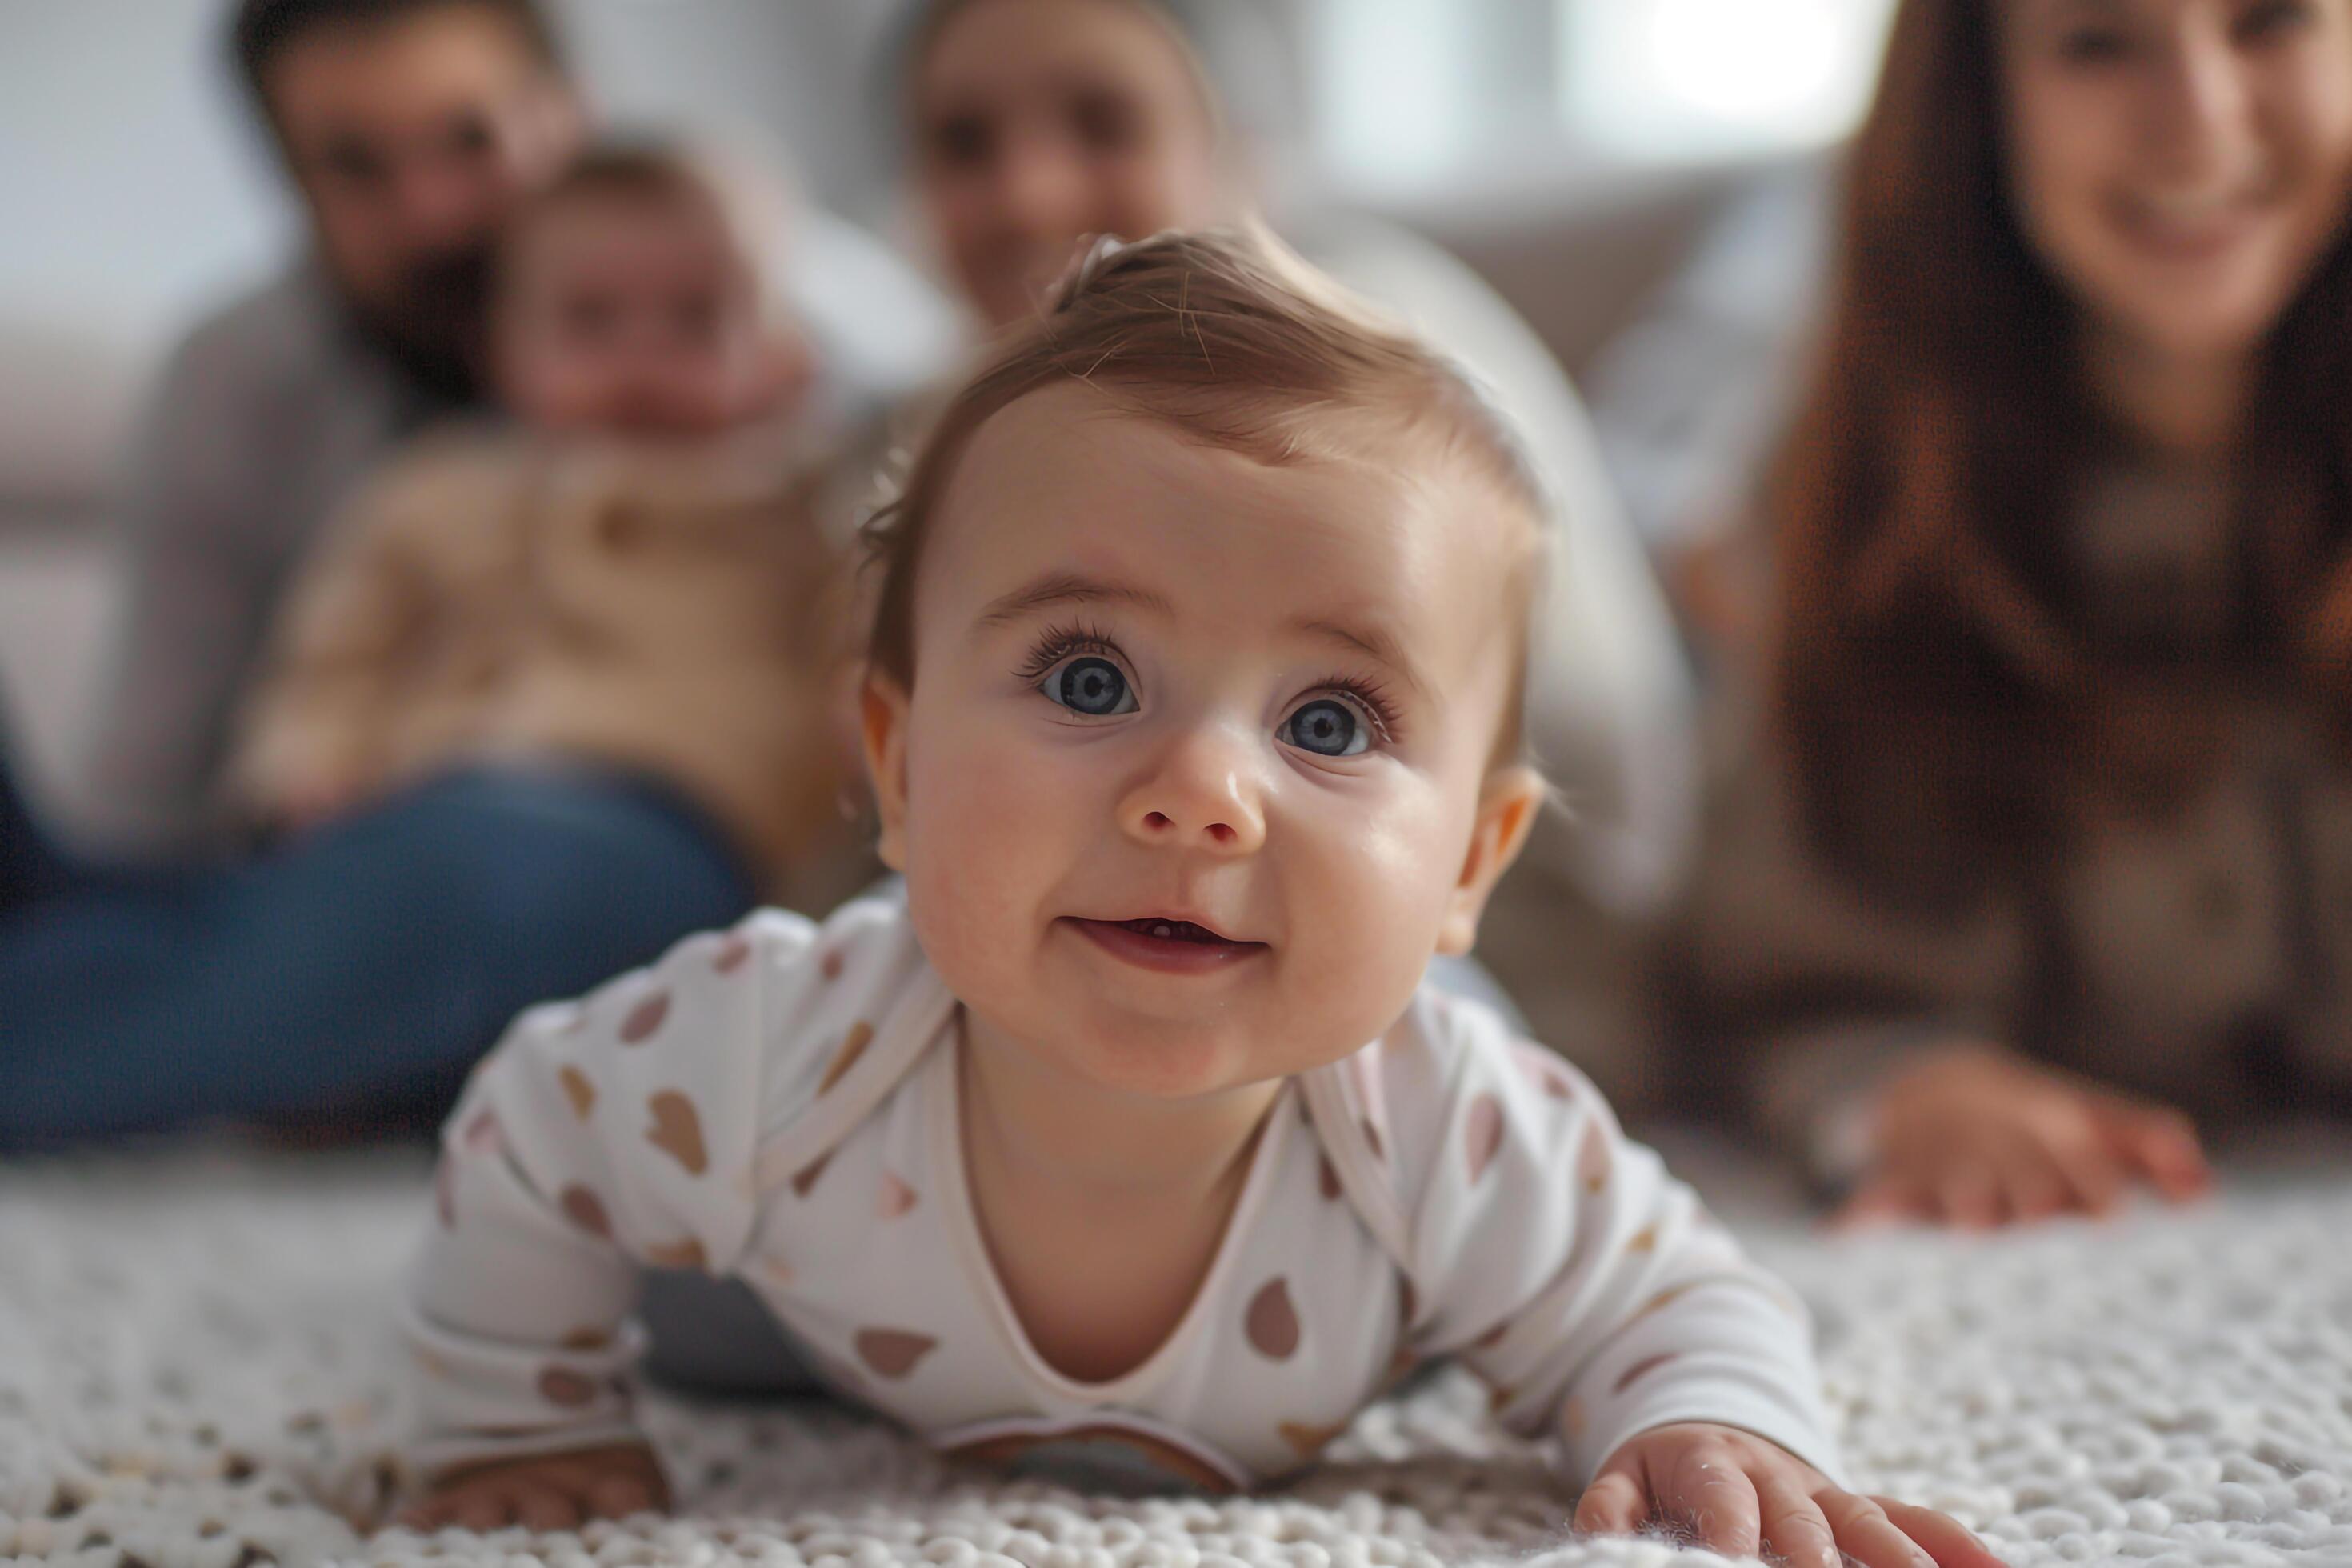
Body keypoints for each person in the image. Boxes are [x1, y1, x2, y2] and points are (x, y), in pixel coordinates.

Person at [394, 230, 1996, 1568]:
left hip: (1362, 1217)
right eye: (1089, 674)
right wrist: (522, 1420)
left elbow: (1679, 1289)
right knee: (694, 1321)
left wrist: (1699, 1416)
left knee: (1515, 1282)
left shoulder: (1447, 1123)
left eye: (1329, 720)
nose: (1202, 789)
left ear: (1469, 863)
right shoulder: (767, 1044)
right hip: (842, 1282)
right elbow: (534, 1126)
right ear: (895, 764)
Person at [878, 0, 1699, 1109]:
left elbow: (1593, 811)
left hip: (1489, 955)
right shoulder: (949, 404)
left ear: (1240, 155)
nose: (1031, 191)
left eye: (1104, 122)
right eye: (964, 143)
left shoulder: (1359, 370)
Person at [1680, 0, 2352, 1226]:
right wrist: (1911, 1090)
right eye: (2100, 42)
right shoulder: (1858, 499)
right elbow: (1778, 989)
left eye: (2271, 23)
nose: (2198, 119)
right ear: (1977, 105)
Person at [81, 0, 950, 853]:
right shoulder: (247, 387)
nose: (433, 212)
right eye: (356, 166)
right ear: (290, 186)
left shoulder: (799, 317)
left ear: (572, 109)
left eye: (471, 140)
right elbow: (159, 784)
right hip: (368, 830)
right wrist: (303, 779)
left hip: (642, 826)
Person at [231, 144, 852, 902]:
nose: (641, 352)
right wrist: (311, 765)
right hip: (412, 808)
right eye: (589, 320)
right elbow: (338, 657)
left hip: (664, 815)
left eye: (696, 318)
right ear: (501, 351)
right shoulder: (433, 489)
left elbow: (856, 667)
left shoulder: (799, 506)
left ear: (786, 360)